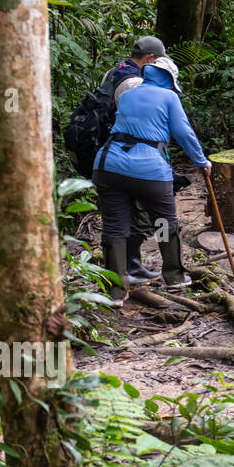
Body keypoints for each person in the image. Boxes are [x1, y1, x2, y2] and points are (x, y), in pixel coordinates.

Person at [93, 56, 211, 301]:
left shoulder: (126, 95)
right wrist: (201, 162)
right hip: (149, 169)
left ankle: (114, 291)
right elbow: (183, 133)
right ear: (170, 81)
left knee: (115, 226)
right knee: (164, 222)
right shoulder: (170, 97)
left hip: (108, 165)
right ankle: (175, 276)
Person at [103, 35, 167, 285]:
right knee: (135, 212)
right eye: (159, 62)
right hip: (129, 154)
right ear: (150, 59)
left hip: (113, 152)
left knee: (126, 212)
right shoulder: (134, 83)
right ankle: (123, 270)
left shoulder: (114, 72)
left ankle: (132, 264)